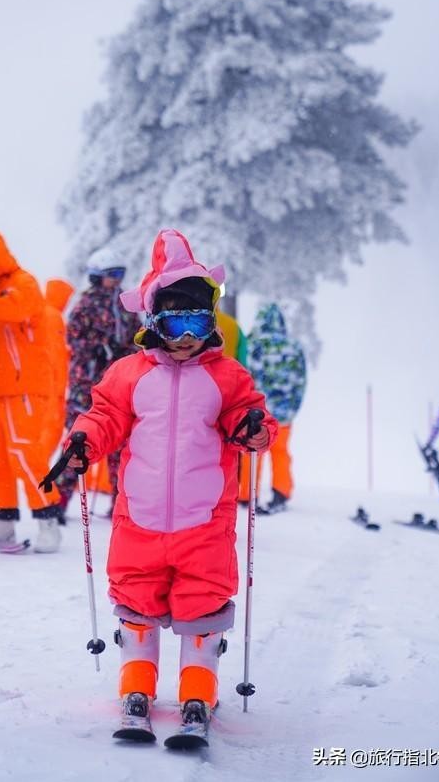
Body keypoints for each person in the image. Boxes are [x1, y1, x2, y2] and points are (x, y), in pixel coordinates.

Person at [61, 229, 277, 740]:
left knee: (202, 608)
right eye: (176, 321)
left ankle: (198, 695)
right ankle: (137, 685)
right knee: (136, 603)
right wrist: (83, 442)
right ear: (155, 322)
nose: (186, 337)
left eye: (198, 322)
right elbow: (104, 414)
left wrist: (253, 429)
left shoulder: (227, 377)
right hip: (139, 518)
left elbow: (252, 417)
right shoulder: (128, 373)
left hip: (205, 524)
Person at [0, 231, 63, 553]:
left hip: (24, 389)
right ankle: (2, 523)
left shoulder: (23, 284)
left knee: (26, 455)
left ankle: (48, 522)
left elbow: (17, 310)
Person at [55, 247, 140, 522]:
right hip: (87, 382)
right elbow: (74, 337)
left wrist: (126, 353)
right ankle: (57, 500)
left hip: (117, 385)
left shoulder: (126, 305)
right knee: (79, 440)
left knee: (119, 443)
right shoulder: (87, 303)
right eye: (111, 275)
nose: (116, 280)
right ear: (96, 277)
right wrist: (98, 347)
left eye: (120, 274)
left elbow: (137, 337)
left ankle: (120, 503)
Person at [241, 303, 306, 513]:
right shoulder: (293, 347)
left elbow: (247, 374)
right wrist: (294, 406)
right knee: (280, 451)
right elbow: (300, 379)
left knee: (253, 450)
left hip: (258, 411)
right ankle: (281, 491)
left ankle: (247, 494)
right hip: (285, 411)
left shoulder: (254, 344)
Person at [40, 277, 75, 458]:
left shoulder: (44, 314)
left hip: (48, 384)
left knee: (45, 429)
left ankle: (37, 466)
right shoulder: (53, 317)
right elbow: (55, 353)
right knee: (50, 429)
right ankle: (38, 467)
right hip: (52, 386)